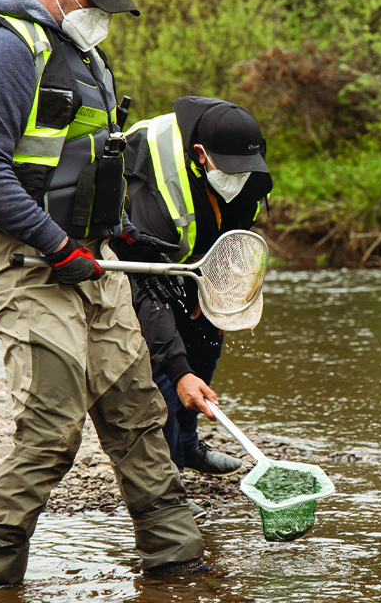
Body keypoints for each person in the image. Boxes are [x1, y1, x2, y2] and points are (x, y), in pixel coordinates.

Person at [0, 0, 206, 590]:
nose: (103, 15)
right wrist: (57, 246)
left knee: (139, 416)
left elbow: (88, 166)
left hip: (92, 258)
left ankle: (179, 570)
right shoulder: (5, 46)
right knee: (53, 428)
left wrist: (111, 239)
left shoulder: (83, 54)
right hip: (21, 259)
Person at [120, 97, 273, 481]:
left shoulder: (248, 166)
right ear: (201, 155)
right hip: (139, 256)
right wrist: (179, 368)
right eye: (231, 171)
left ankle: (188, 445)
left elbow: (235, 237)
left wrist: (216, 295)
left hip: (196, 259)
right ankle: (167, 480)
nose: (238, 178)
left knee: (207, 333)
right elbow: (145, 280)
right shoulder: (156, 168)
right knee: (167, 370)